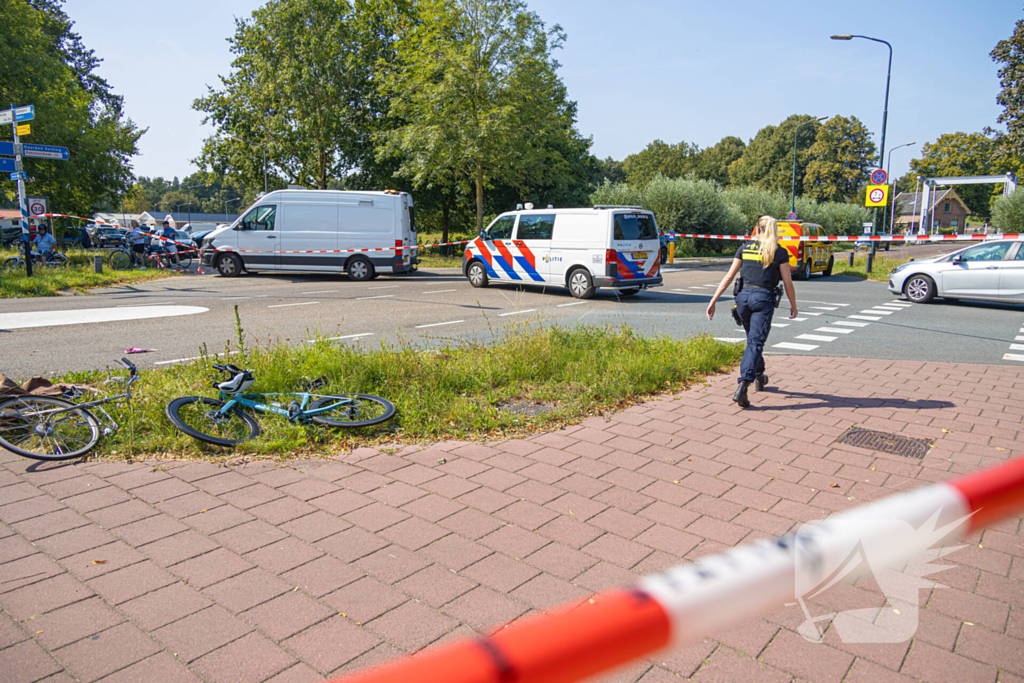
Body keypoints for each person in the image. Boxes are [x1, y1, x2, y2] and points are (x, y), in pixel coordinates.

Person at [706, 216, 798, 408]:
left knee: (752, 341)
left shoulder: (744, 248)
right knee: (755, 342)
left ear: (757, 229)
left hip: (742, 299)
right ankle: (743, 385)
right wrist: (793, 305)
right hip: (763, 300)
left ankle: (759, 375)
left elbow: (729, 276)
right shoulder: (779, 252)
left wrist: (713, 300)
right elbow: (787, 283)